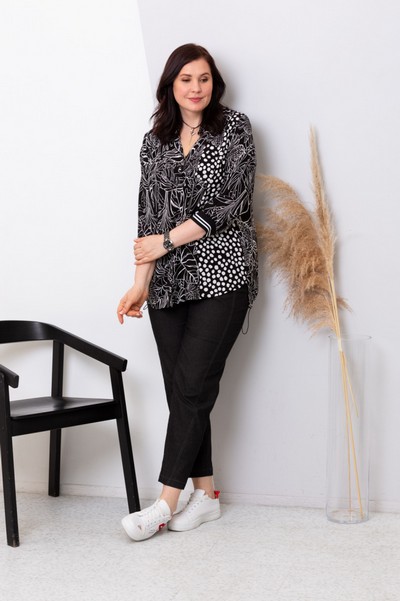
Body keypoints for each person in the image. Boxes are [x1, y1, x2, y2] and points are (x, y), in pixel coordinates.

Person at [117, 43, 258, 541]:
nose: (196, 88)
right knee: (183, 392)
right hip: (168, 284)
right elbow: (147, 216)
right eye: (186, 79)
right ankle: (207, 496)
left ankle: (164, 502)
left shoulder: (235, 128)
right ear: (170, 85)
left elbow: (230, 204)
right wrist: (139, 284)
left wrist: (167, 240)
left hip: (223, 273)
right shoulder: (153, 141)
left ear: (214, 83)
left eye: (203, 79)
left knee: (194, 386)